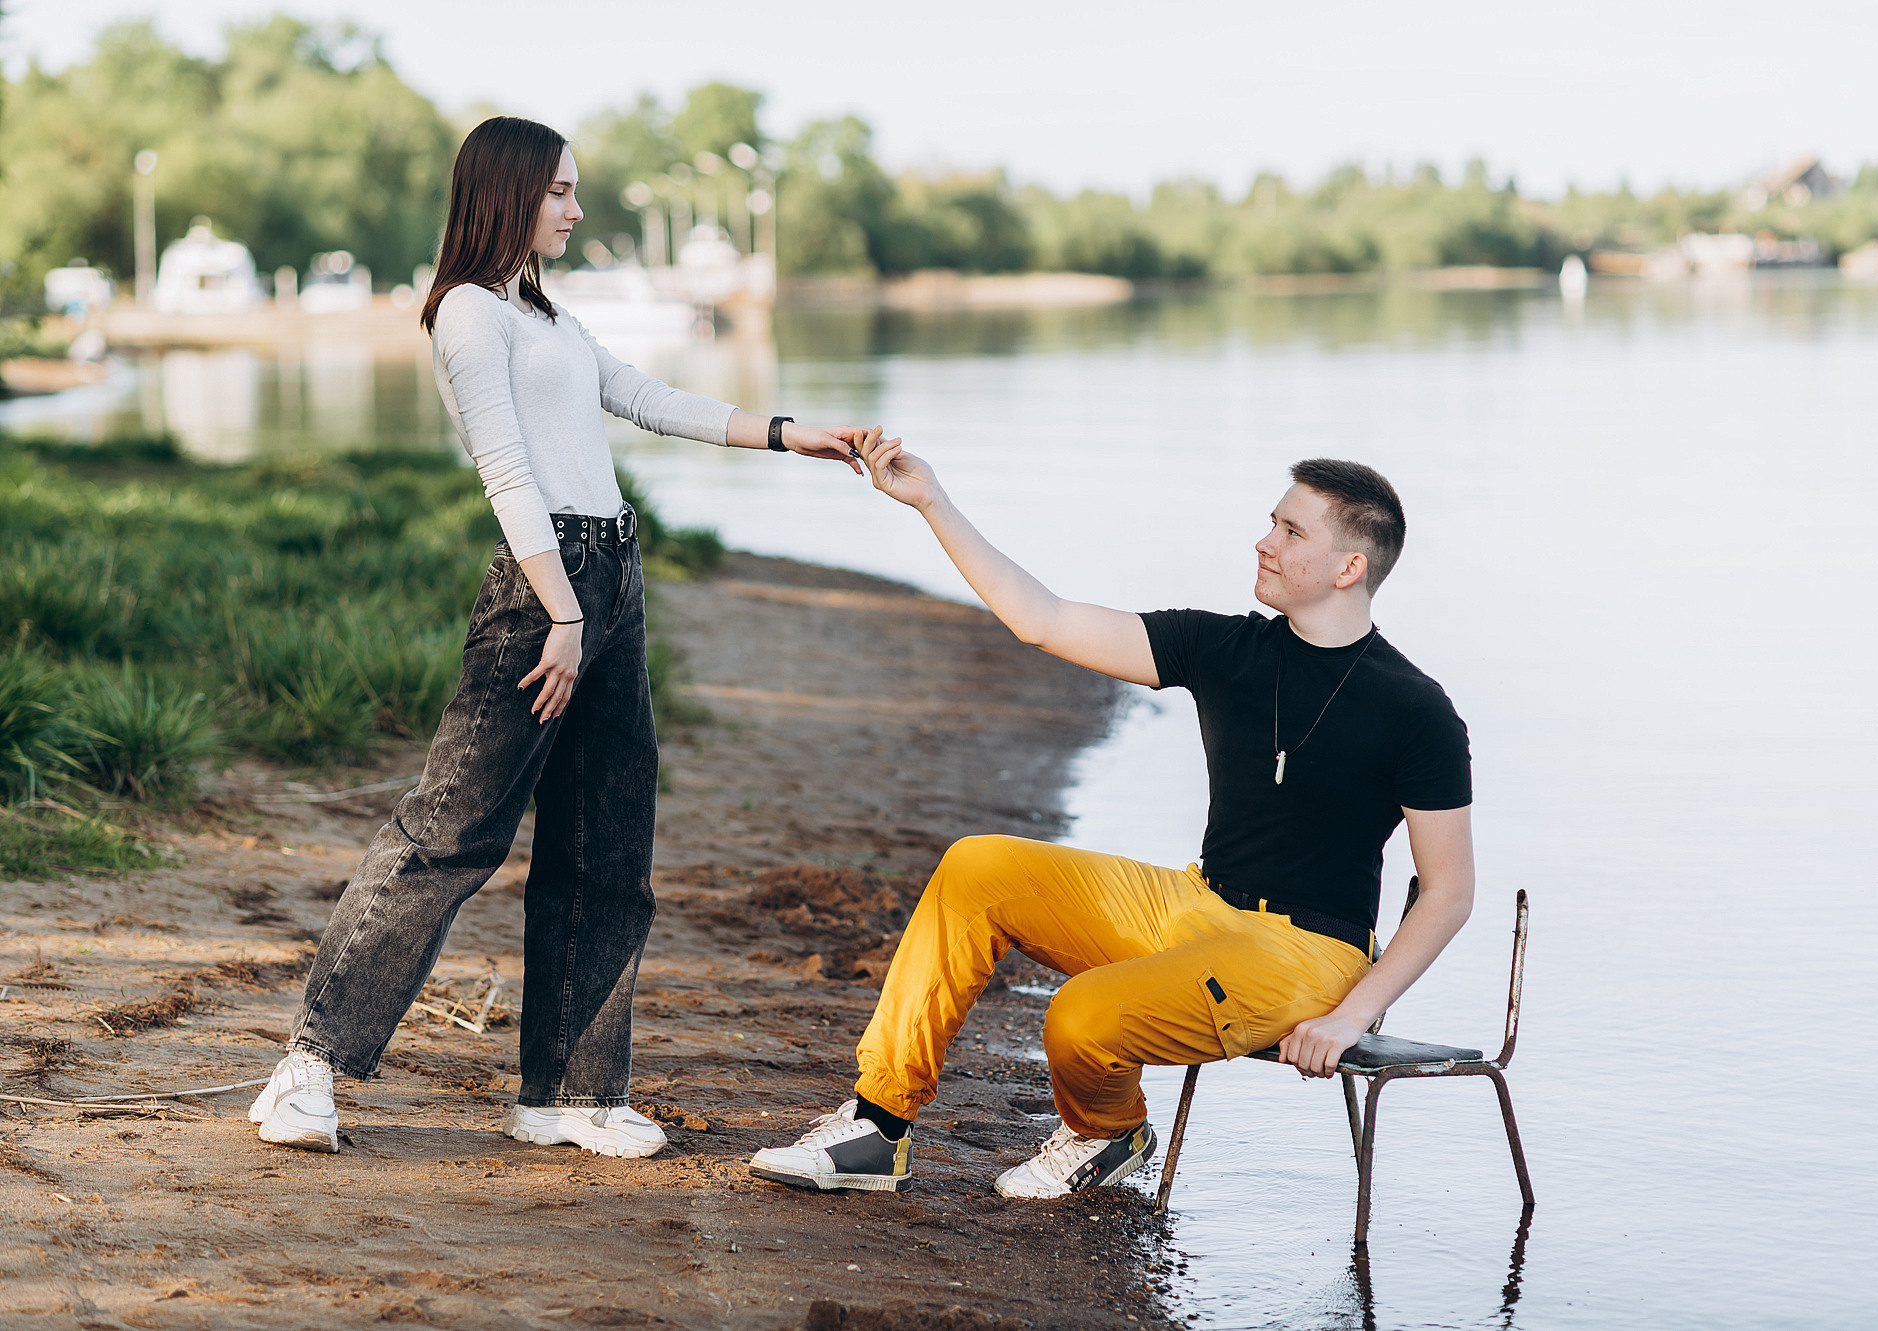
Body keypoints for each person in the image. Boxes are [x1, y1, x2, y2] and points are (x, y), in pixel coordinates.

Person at [249, 116, 869, 1156]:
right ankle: (305, 1070)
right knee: (449, 831)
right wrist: (565, 613)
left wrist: (784, 432)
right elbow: (507, 474)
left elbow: (643, 398)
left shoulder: (546, 317)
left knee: (606, 841)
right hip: (547, 589)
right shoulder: (466, 315)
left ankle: (570, 1095)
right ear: (508, 192)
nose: (576, 211)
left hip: (610, 572)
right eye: (561, 193)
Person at [749, 438, 1474, 1198]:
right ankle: (876, 1126)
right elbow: (1044, 619)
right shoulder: (1224, 646)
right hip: (1196, 903)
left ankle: (1107, 1131)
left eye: (1292, 532)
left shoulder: (1416, 711)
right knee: (977, 867)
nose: (1264, 541)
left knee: (1082, 1014)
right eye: (1272, 522)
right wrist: (934, 502)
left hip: (1307, 954)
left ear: (1349, 567)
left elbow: (1449, 891)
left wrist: (1354, 1015)